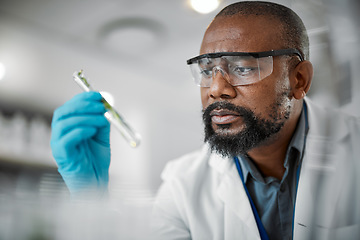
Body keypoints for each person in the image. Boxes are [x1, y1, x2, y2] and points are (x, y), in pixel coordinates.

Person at [51, 1, 360, 239]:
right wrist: (91, 197)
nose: (215, 89)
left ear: (299, 80)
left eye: (242, 67)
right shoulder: (182, 184)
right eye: (206, 70)